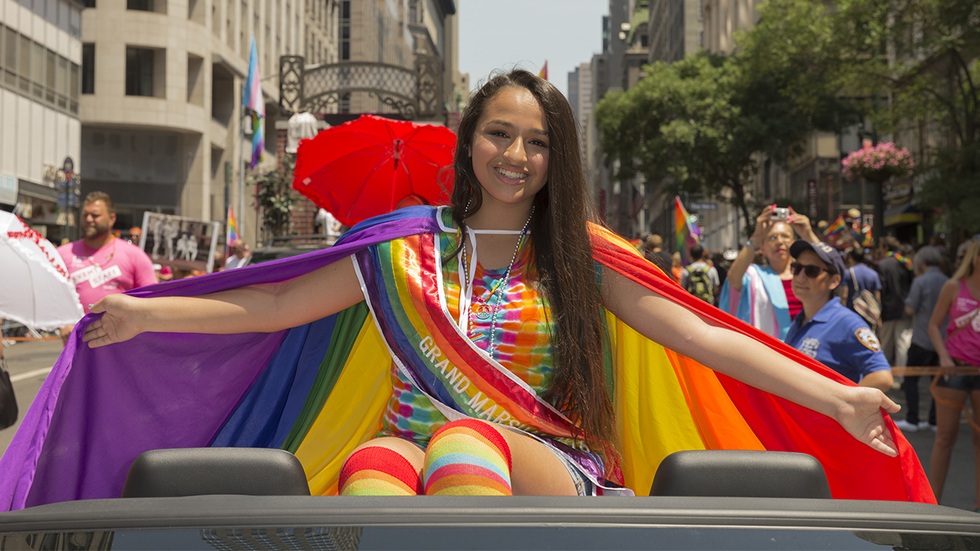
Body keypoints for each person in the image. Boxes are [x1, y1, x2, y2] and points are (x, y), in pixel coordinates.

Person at [53, 70, 908, 501]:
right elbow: (274, 302)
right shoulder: (401, 250)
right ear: (471, 143)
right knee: (376, 464)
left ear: (554, 158)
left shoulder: (580, 256)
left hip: (541, 460)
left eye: (536, 142)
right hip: (413, 452)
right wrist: (139, 310)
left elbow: (702, 334)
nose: (516, 155)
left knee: (468, 443)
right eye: (500, 133)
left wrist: (835, 399)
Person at [783, 240, 893, 393]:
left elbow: (882, 377)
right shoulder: (800, 319)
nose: (800, 277)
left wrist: (841, 404)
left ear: (834, 281)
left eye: (812, 271)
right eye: (796, 268)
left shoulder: (848, 323)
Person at [56, 192, 156, 343]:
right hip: (78, 348)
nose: (89, 219)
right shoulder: (62, 254)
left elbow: (152, 301)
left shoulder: (135, 255)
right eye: (85, 215)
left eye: (95, 215)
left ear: (111, 219)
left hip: (124, 348)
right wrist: (63, 323)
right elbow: (50, 295)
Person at [927, 239, 980, 510]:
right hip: (954, 367)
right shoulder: (953, 287)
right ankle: (933, 503)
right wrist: (944, 357)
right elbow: (934, 325)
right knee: (945, 436)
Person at [719, 205, 820, 341]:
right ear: (762, 248)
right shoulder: (753, 276)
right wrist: (755, 238)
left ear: (794, 243)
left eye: (785, 236)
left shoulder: (808, 273)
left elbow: (831, 269)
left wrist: (808, 235)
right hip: (768, 354)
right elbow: (733, 279)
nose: (780, 242)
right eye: (772, 238)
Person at [895, 246, 947, 433]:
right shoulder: (948, 281)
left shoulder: (920, 281)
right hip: (942, 339)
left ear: (921, 262)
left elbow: (910, 308)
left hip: (922, 337)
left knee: (910, 379)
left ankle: (913, 418)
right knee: (937, 381)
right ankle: (934, 420)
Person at [876, 236, 914, 368]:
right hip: (904, 309)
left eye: (880, 247)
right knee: (903, 344)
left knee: (885, 344)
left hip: (887, 310)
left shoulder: (882, 264)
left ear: (885, 248)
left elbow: (881, 289)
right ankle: (902, 376)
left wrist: (878, 312)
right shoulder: (906, 263)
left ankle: (882, 372)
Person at [840, 247, 882, 314]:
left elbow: (844, 296)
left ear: (851, 258)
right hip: (869, 314)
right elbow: (877, 297)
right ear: (864, 257)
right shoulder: (874, 274)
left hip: (852, 313)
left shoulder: (848, 273)